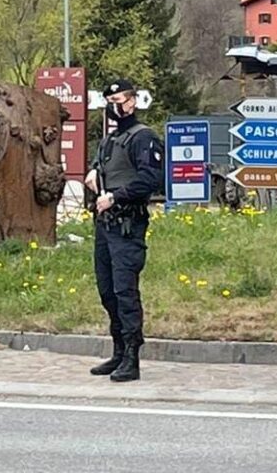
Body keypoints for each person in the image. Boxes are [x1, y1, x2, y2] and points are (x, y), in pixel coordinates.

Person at [85, 79, 163, 382]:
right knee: (107, 291)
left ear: (131, 102)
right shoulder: (110, 140)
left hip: (127, 225)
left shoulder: (143, 137)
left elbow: (150, 179)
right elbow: (100, 167)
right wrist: (93, 173)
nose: (113, 106)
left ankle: (132, 357)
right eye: (109, 101)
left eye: (118, 100)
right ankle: (118, 351)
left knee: (125, 291)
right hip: (105, 226)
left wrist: (116, 197)